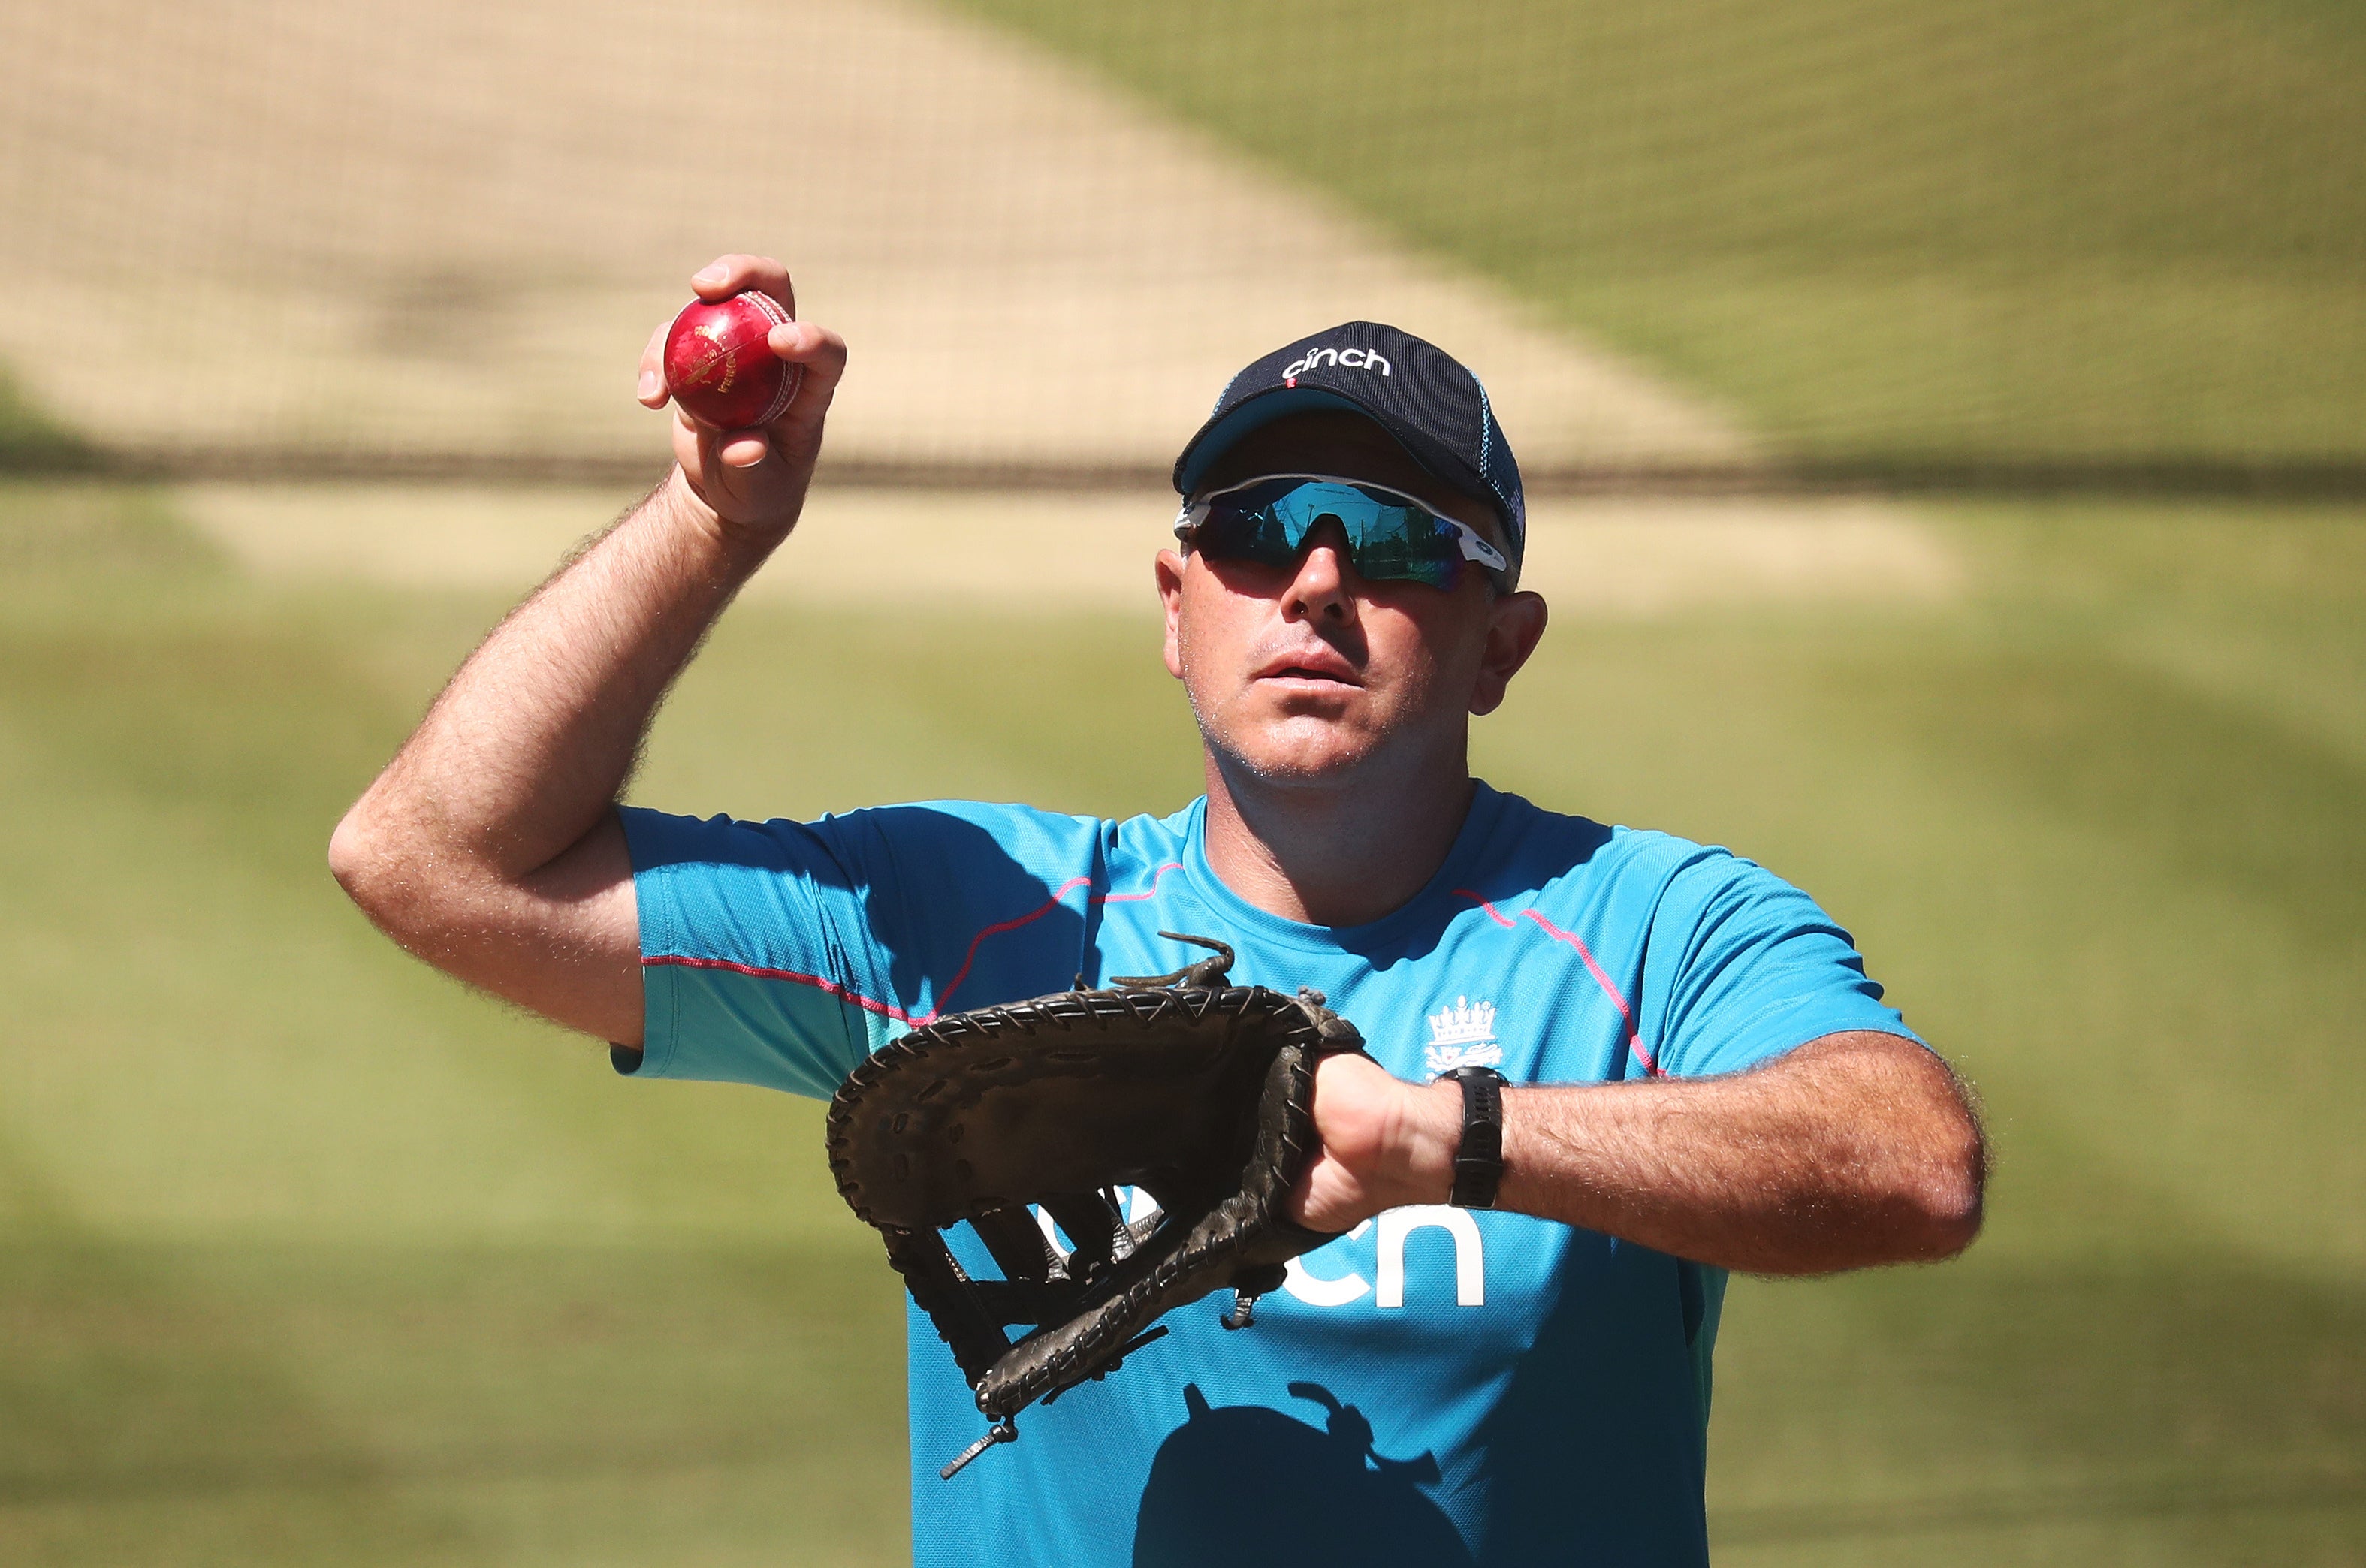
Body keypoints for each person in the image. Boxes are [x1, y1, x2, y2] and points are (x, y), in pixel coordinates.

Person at [330, 255, 1984, 1566]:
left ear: (1502, 640)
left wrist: (1439, 1140)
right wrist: (709, 523)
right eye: (1258, 532)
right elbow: (430, 865)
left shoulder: (1652, 928)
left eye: (1401, 540)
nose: (1319, 580)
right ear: (1177, 607)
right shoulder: (972, 924)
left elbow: (1911, 1166)